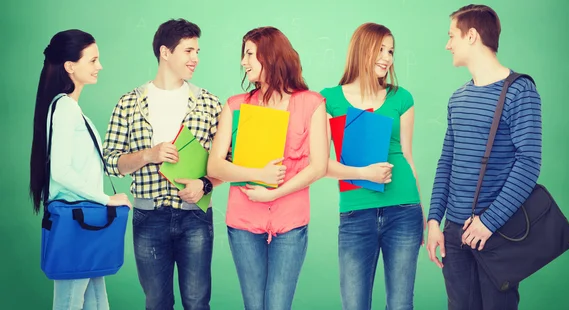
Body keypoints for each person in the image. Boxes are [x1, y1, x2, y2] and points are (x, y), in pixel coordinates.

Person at [426, 4, 542, 310]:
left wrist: (488, 223)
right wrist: (435, 220)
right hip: (454, 233)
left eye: (452, 36)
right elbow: (446, 161)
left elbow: (529, 163)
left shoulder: (520, 91)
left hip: (497, 233)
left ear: (472, 36)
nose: (447, 44)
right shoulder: (458, 97)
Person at [207, 26, 328, 310]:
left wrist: (274, 193)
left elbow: (319, 166)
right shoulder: (235, 106)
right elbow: (214, 165)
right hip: (243, 221)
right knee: (254, 306)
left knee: (277, 306)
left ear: (270, 56)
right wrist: (257, 176)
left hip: (291, 221)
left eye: (249, 54)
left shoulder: (312, 103)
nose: (243, 62)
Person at [103, 19, 222, 310]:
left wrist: (204, 184)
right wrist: (148, 155)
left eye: (197, 51)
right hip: (149, 217)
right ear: (165, 52)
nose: (195, 58)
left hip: (195, 216)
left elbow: (228, 161)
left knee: (197, 302)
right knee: (156, 302)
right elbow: (111, 162)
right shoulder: (129, 103)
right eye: (188, 50)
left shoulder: (209, 103)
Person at [319, 22, 425, 310]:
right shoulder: (329, 99)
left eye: (390, 51)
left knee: (401, 304)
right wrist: (363, 174)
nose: (387, 57)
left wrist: (422, 215)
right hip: (355, 213)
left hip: (404, 210)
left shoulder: (401, 98)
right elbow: (320, 164)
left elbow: (407, 156)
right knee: (355, 305)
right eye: (380, 49)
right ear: (361, 50)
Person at [29, 29, 131, 310]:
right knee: (70, 303)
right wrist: (107, 199)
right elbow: (61, 172)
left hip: (83, 222)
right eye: (93, 60)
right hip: (78, 221)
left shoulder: (70, 109)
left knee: (97, 304)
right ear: (70, 66)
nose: (100, 66)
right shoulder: (65, 109)